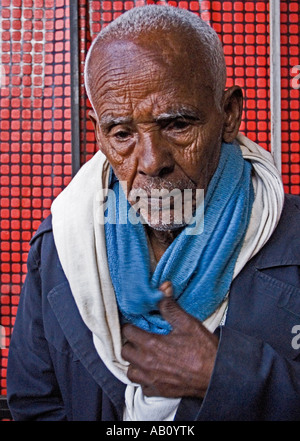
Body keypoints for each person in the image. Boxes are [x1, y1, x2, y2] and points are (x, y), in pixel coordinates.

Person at [6, 5, 300, 421]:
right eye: (123, 134)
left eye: (178, 125)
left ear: (229, 115)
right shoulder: (61, 247)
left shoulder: (293, 240)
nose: (150, 161)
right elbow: (35, 404)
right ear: (101, 136)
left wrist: (225, 374)